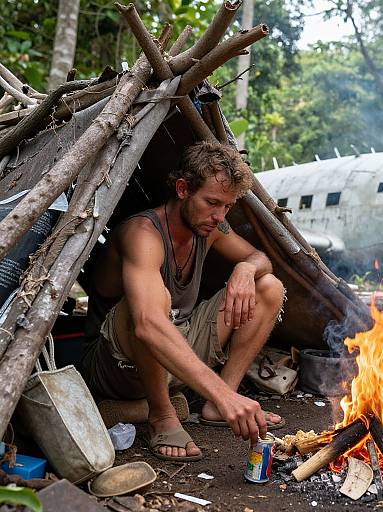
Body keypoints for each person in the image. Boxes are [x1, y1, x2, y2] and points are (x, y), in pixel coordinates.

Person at [82, 141, 285, 462]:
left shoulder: (211, 227)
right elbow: (147, 324)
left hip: (179, 345)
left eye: (227, 207)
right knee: (153, 304)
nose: (219, 216)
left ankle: (219, 403)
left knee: (269, 287)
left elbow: (261, 258)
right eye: (212, 202)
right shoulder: (142, 234)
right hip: (117, 365)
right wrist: (220, 391)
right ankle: (161, 415)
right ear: (182, 189)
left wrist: (246, 269)